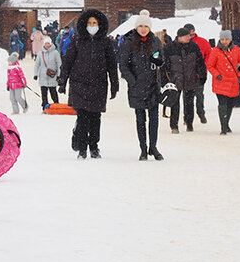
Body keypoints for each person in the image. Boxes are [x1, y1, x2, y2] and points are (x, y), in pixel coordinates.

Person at [59, 9, 118, 159]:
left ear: (100, 25)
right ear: (85, 24)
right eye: (90, 23)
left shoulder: (105, 43)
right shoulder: (77, 41)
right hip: (80, 83)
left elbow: (112, 65)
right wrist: (62, 81)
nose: (92, 25)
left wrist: (114, 84)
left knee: (95, 117)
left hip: (99, 84)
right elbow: (68, 62)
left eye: (95, 23)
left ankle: (94, 146)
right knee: (83, 116)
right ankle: (82, 148)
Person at [119, 9, 164, 160]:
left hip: (152, 86)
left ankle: (153, 146)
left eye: (146, 26)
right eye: (141, 26)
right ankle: (143, 148)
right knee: (140, 119)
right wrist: (133, 81)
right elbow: (123, 65)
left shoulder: (156, 41)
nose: (143, 29)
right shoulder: (129, 42)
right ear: (137, 28)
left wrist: (158, 61)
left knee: (154, 119)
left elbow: (161, 60)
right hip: (137, 87)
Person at [163, 27, 206, 133]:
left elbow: (200, 62)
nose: (189, 38)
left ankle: (189, 123)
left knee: (189, 103)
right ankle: (174, 126)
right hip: (174, 80)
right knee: (174, 103)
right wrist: (164, 80)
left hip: (190, 78)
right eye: (187, 36)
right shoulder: (170, 48)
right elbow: (164, 65)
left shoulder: (193, 46)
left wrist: (202, 75)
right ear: (180, 37)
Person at [206, 30, 240, 133]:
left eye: (226, 39)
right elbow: (210, 65)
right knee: (222, 103)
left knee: (230, 104)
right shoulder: (216, 51)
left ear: (230, 39)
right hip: (221, 81)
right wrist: (217, 75)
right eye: (222, 39)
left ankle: (226, 123)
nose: (224, 41)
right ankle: (223, 127)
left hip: (233, 82)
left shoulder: (236, 50)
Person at [183, 23, 211, 123]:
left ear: (194, 31)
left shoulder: (202, 42)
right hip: (186, 76)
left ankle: (201, 113)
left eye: (191, 31)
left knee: (199, 96)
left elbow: (209, 55)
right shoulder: (181, 42)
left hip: (199, 75)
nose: (190, 34)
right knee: (187, 99)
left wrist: (204, 67)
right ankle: (187, 118)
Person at [34, 35, 62, 108]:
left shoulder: (55, 53)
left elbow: (59, 64)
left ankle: (56, 105)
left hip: (52, 76)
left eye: (48, 43)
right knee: (44, 93)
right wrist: (35, 74)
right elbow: (37, 64)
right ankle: (45, 105)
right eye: (46, 43)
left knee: (53, 92)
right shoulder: (40, 53)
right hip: (43, 76)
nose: (47, 45)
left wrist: (59, 74)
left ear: (51, 44)